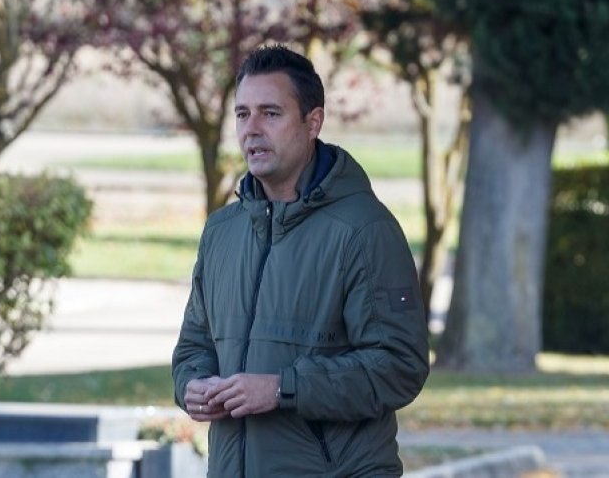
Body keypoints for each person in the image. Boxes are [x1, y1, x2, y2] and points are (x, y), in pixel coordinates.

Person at [172, 45, 430, 476]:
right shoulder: (222, 231)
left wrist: (282, 389)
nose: (251, 129)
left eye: (270, 113)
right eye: (242, 114)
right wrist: (192, 384)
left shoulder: (364, 230)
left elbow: (400, 366)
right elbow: (193, 346)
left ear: (313, 122)